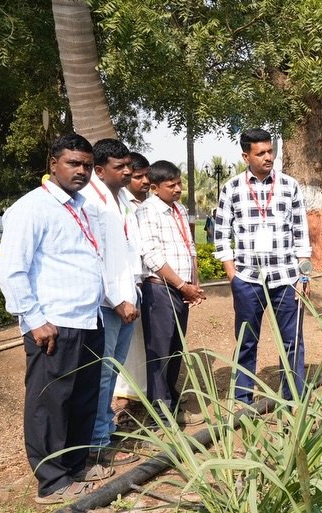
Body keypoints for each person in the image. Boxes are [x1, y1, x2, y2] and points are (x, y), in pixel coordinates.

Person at [0, 134, 109, 504]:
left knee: (81, 398)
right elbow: (11, 270)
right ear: (53, 164)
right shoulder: (32, 208)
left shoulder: (81, 206)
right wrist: (33, 317)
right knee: (51, 402)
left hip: (88, 319)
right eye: (73, 164)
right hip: (54, 322)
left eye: (87, 165)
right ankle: (52, 480)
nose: (82, 171)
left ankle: (75, 465)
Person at [214, 128, 311, 405]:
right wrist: (233, 276)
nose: (269, 157)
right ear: (246, 156)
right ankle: (242, 401)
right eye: (261, 153)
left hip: (286, 279)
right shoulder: (232, 188)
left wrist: (304, 275)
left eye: (271, 151)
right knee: (246, 341)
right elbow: (221, 235)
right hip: (248, 279)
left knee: (292, 341)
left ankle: (293, 399)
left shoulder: (289, 186)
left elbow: (300, 232)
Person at [80, 139, 141, 466]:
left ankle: (105, 428)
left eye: (128, 165)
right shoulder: (91, 203)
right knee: (103, 373)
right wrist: (117, 299)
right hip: (109, 304)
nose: (128, 171)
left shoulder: (122, 200)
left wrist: (134, 292)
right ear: (100, 170)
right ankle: (96, 440)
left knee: (113, 371)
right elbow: (95, 258)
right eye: (120, 167)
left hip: (128, 297)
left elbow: (128, 250)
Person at [136, 160, 206, 426]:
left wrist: (193, 282)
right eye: (171, 185)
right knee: (160, 351)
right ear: (154, 187)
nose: (178, 189)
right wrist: (181, 285)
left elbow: (190, 247)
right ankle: (159, 413)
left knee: (176, 349)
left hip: (180, 289)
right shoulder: (148, 212)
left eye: (179, 183)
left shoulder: (177, 209)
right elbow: (151, 255)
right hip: (161, 289)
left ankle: (171, 402)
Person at [111, 151, 151, 425]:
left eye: (147, 175)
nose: (144, 181)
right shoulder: (120, 204)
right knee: (128, 343)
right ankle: (124, 395)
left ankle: (147, 391)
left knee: (147, 340)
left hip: (148, 282)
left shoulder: (152, 203)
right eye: (138, 176)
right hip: (124, 287)